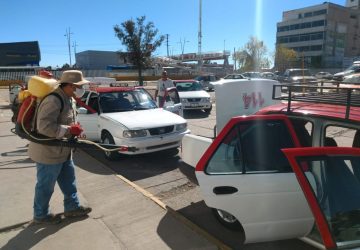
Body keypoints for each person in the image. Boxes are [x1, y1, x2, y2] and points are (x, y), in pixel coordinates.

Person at [28, 70, 92, 224]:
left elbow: (66, 120)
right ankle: (40, 215)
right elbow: (44, 127)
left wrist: (75, 129)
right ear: (70, 85)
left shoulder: (68, 98)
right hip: (49, 153)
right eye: (79, 86)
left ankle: (72, 208)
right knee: (45, 186)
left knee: (69, 182)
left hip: (63, 150)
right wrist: (69, 130)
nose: (81, 89)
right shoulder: (54, 100)